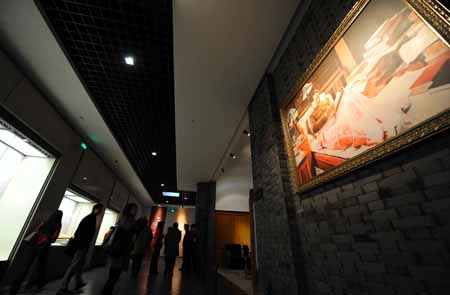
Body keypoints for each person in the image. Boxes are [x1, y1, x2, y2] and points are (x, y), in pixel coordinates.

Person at [9, 210, 63, 295]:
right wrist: (48, 238)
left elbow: (37, 230)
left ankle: (14, 288)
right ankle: (39, 285)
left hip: (34, 245)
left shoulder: (45, 221)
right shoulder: (58, 225)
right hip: (44, 247)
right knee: (40, 267)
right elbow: (54, 238)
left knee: (26, 266)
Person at [57, 203, 103, 295]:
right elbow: (84, 234)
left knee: (78, 265)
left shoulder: (90, 218)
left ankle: (78, 282)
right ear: (95, 209)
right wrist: (84, 246)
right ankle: (63, 287)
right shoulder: (90, 219)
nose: (100, 212)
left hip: (81, 245)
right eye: (100, 210)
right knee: (74, 265)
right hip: (81, 246)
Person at [102, 203, 138, 295]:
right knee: (115, 272)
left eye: (135, 209)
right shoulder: (126, 220)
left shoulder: (127, 220)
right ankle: (107, 290)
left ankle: (108, 290)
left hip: (123, 249)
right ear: (129, 209)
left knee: (116, 272)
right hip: (120, 249)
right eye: (133, 209)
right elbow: (124, 233)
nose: (135, 211)